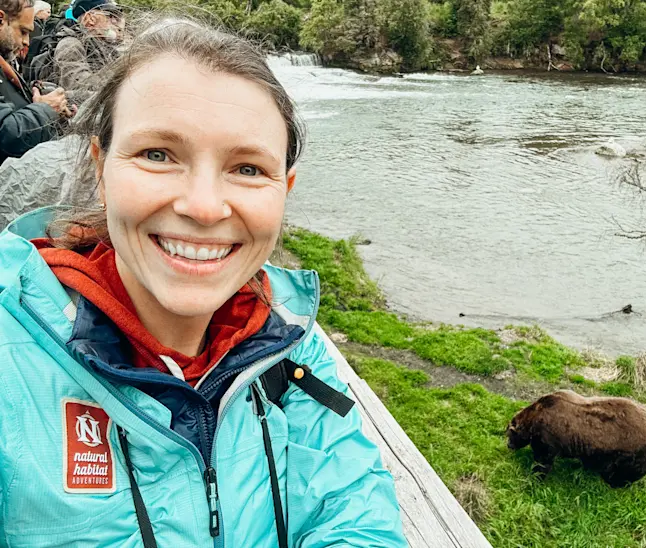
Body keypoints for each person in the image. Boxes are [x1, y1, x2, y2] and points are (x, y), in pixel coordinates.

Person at [0, 16, 407, 547]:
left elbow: (355, 513)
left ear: (284, 190)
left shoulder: (289, 343)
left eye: (247, 168)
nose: (204, 206)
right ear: (100, 169)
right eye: (157, 155)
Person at [0, 0, 72, 164]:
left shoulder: (5, 63)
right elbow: (6, 135)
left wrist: (38, 94)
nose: (27, 41)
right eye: (23, 31)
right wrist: (47, 109)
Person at [47, 0, 122, 94]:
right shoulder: (70, 45)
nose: (114, 21)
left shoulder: (102, 45)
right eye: (109, 16)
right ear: (90, 18)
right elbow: (80, 89)